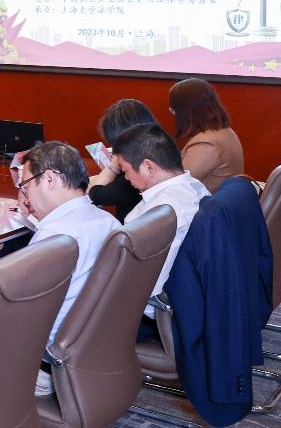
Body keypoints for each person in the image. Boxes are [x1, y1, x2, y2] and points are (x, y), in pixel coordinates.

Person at [15, 141, 119, 396]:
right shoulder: (108, 222)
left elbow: (23, 309)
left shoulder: (54, 237)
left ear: (49, 179)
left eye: (25, 186)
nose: (25, 197)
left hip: (44, 363)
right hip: (90, 349)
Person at [112, 123, 209, 320]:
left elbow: (146, 284)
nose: (126, 178)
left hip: (142, 312)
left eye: (125, 170)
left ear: (148, 166)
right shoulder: (194, 187)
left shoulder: (163, 212)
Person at [169, 78, 244, 193]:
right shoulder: (226, 131)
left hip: (205, 203)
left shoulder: (206, 143)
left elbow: (178, 186)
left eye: (174, 111)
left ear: (185, 111)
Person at [87, 99, 154, 221]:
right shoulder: (157, 152)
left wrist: (113, 165)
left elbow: (96, 195)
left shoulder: (135, 174)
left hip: (130, 228)